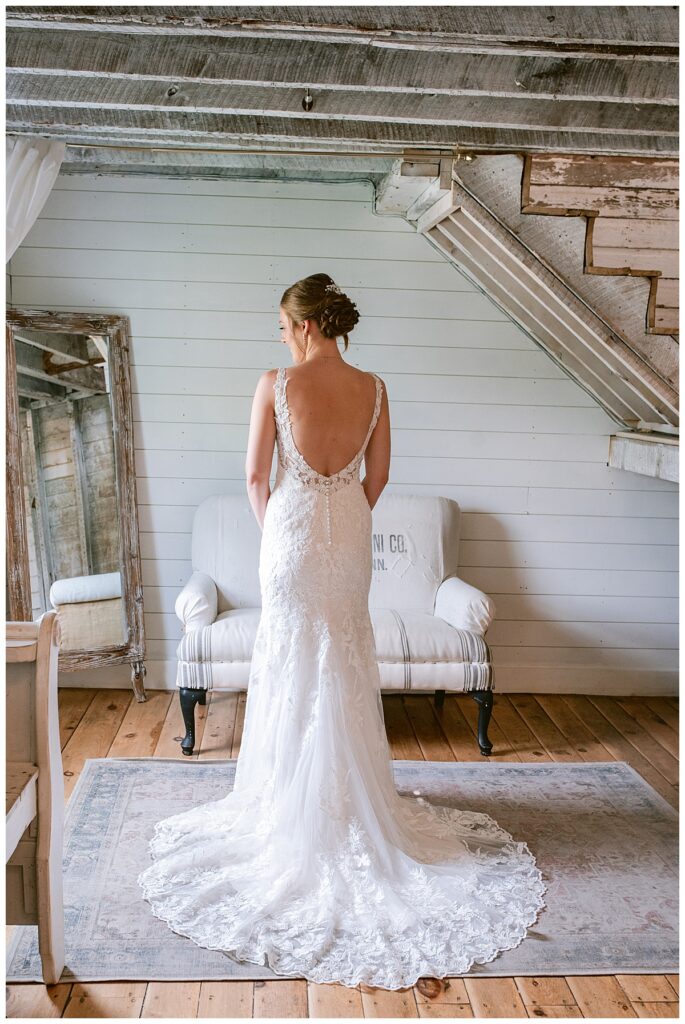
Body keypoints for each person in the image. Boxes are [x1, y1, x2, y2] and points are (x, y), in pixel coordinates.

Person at [137, 273, 547, 990]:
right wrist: (342, 516)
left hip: (291, 536)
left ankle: (288, 806)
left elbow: (255, 477)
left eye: (281, 326)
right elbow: (375, 479)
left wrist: (283, 528)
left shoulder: (275, 384)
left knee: (290, 661)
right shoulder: (374, 388)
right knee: (342, 659)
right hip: (349, 535)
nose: (280, 338)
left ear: (302, 325)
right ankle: (348, 806)